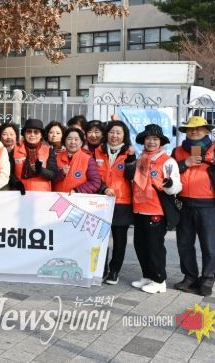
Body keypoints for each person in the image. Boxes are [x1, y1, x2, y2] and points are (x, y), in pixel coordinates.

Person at [172, 116, 215, 296]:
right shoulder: (177, 151)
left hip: (207, 204)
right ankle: (190, 277)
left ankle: (207, 278)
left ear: (207, 130)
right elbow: (168, 170)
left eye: (198, 128)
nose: (194, 131)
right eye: (190, 129)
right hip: (183, 203)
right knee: (184, 243)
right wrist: (185, 163)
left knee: (209, 244)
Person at [131, 124, 181, 294]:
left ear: (161, 142)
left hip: (156, 210)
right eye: (148, 138)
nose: (151, 142)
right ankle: (148, 275)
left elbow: (176, 186)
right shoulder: (141, 158)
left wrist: (169, 185)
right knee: (140, 244)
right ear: (143, 141)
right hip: (139, 208)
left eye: (155, 139)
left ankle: (159, 280)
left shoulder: (167, 161)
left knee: (154, 246)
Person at [95, 121, 136, 285]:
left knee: (120, 240)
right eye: (112, 132)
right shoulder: (98, 151)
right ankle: (101, 268)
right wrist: (103, 188)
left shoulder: (129, 153)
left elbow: (131, 176)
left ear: (124, 136)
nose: (115, 136)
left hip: (122, 202)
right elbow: (93, 176)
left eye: (119, 133)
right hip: (101, 200)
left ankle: (114, 271)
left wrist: (131, 159)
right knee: (100, 237)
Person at [13, 119, 57, 193]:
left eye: (36, 132)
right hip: (20, 195)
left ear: (41, 135)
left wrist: (41, 170)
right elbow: (9, 173)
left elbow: (53, 175)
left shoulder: (48, 151)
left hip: (41, 196)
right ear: (24, 134)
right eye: (29, 131)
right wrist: (16, 183)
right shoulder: (15, 149)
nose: (32, 135)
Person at [52, 128, 101, 193]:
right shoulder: (56, 157)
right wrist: (61, 173)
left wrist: (77, 190)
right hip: (58, 199)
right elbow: (49, 180)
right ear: (64, 141)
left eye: (76, 139)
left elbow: (95, 182)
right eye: (69, 139)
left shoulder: (88, 159)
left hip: (78, 200)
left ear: (81, 142)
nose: (72, 142)